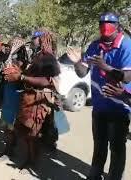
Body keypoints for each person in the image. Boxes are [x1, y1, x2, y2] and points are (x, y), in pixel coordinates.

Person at [67, 12, 131, 180]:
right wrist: (76, 62)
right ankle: (94, 174)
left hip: (119, 106)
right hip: (99, 106)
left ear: (118, 26)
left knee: (117, 148)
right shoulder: (95, 45)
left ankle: (114, 177)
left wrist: (105, 66)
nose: (105, 26)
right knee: (99, 145)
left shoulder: (126, 45)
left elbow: (127, 76)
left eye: (110, 23)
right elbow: (82, 73)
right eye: (102, 23)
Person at [3, 29, 60, 171]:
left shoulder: (48, 57)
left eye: (34, 38)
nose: (32, 40)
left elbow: (47, 81)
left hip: (39, 101)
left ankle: (31, 162)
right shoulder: (38, 55)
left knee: (33, 134)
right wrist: (19, 72)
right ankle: (29, 159)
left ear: (41, 40)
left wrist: (21, 77)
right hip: (30, 99)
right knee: (28, 133)